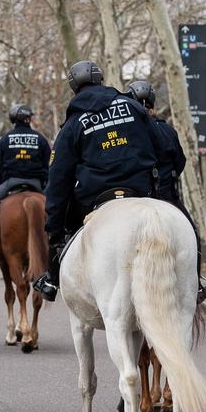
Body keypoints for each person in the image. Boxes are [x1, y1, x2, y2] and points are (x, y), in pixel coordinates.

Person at [33, 60, 161, 302]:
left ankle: (51, 278)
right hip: (142, 191)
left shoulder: (72, 125)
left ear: (73, 87)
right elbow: (160, 146)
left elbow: (59, 179)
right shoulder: (133, 107)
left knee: (64, 227)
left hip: (94, 197)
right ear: (101, 79)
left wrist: (54, 229)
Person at [125, 80, 206, 302]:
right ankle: (196, 282)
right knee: (192, 233)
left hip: (137, 198)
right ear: (153, 106)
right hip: (168, 199)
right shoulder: (167, 130)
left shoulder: (128, 132)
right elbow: (180, 162)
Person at [0, 103, 51, 251]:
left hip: (11, 182)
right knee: (54, 206)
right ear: (29, 119)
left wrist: (0, 179)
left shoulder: (5, 139)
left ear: (13, 119)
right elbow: (48, 164)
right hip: (36, 184)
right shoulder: (40, 139)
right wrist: (44, 181)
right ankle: (58, 236)